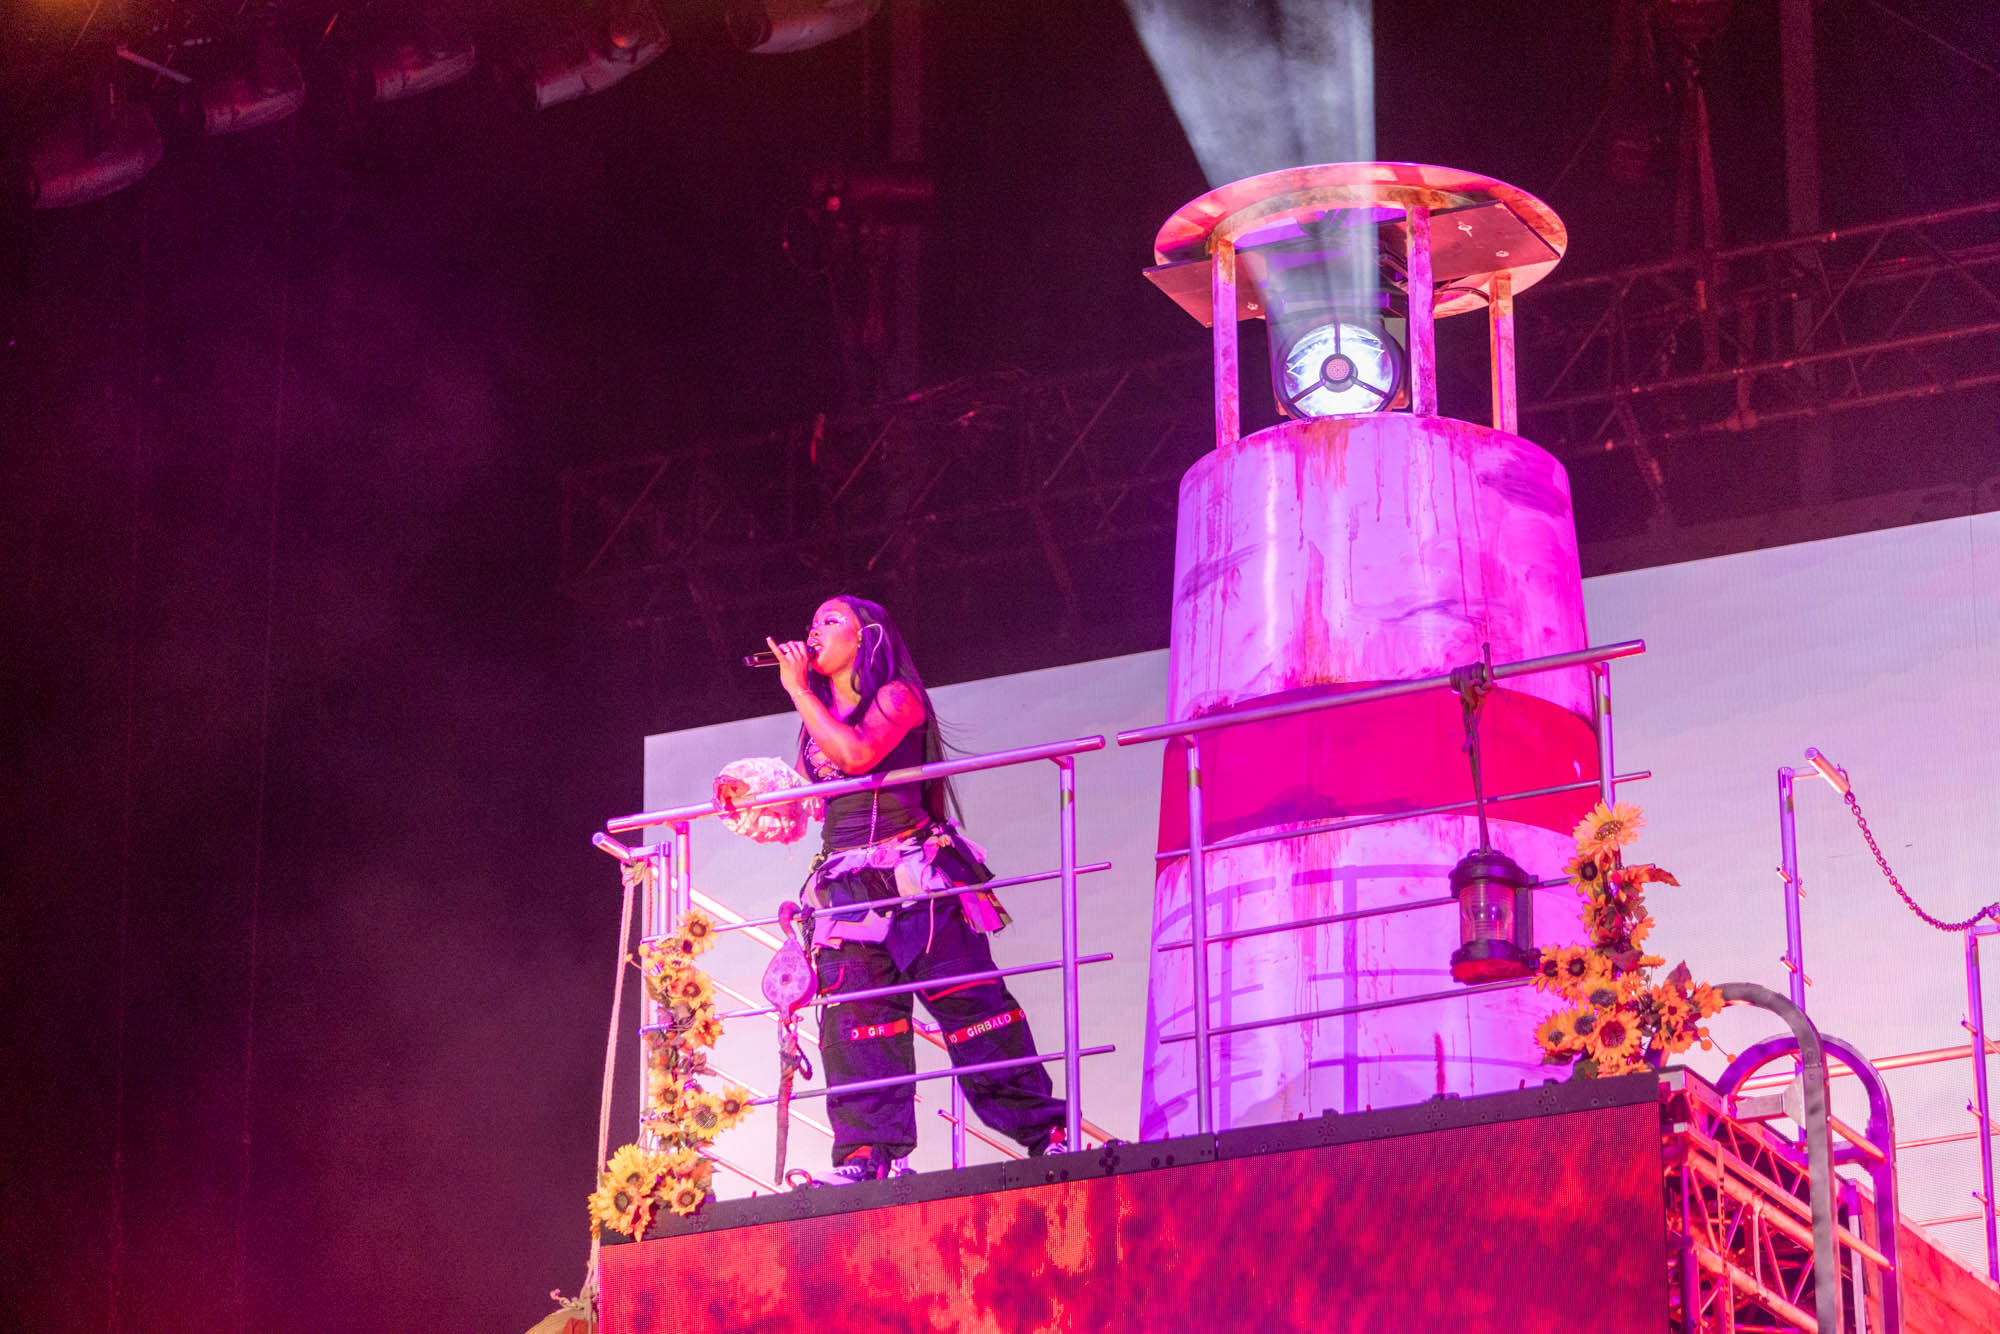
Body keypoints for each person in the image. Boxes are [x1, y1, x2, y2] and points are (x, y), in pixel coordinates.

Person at [725, 595, 1068, 1181]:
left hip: (917, 882)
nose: (814, 631)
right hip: (845, 891)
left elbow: (858, 755)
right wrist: (761, 802)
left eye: (831, 621)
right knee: (857, 1027)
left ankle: (1048, 1134)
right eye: (812, 623)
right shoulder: (815, 719)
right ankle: (867, 1156)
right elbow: (816, 798)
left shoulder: (897, 697)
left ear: (868, 637)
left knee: (976, 1012)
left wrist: (798, 689)